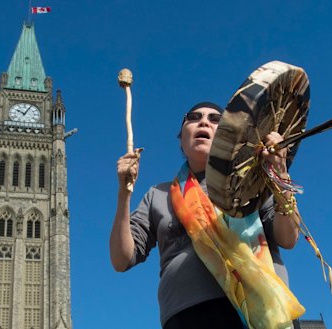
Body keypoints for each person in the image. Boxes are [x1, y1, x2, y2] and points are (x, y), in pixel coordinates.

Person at [110, 102, 301, 329]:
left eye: (215, 119)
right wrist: (124, 193)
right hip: (187, 315)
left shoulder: (253, 181)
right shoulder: (158, 195)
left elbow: (288, 238)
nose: (203, 121)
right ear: (181, 138)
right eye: (193, 117)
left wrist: (280, 173)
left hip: (263, 307)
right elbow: (121, 260)